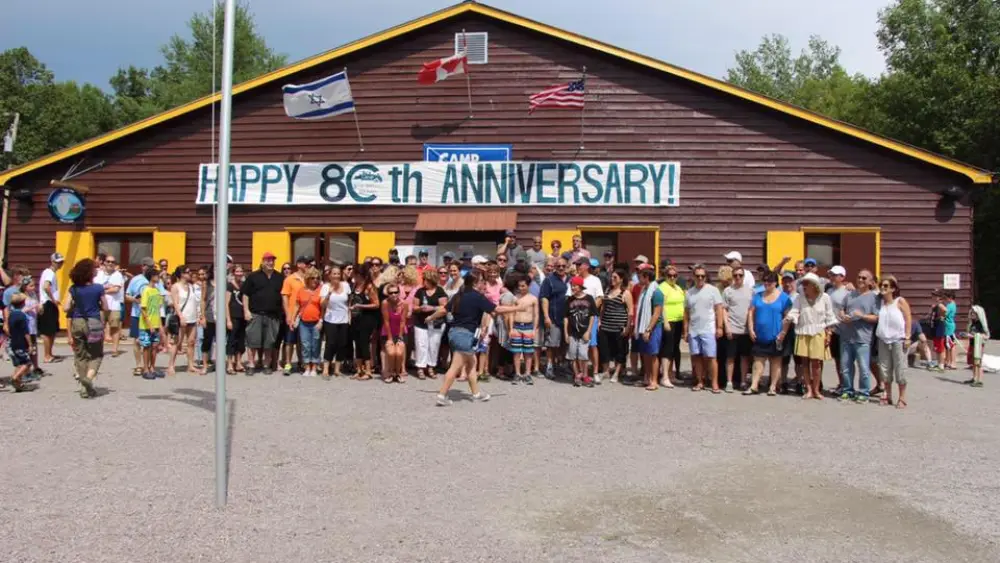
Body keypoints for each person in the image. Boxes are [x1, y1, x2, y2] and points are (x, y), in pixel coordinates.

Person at [783, 273, 837, 400]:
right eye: (803, 283)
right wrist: (790, 317)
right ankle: (808, 389)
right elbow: (794, 311)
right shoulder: (800, 298)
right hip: (803, 331)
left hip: (819, 331)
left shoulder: (825, 297)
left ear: (814, 285)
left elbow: (830, 316)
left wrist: (829, 334)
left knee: (816, 363)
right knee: (804, 362)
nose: (804, 286)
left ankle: (816, 389)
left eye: (807, 283)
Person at [62, 258, 108, 398]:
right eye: (94, 268)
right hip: (93, 322)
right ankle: (88, 378)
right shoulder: (98, 288)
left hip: (77, 322)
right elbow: (105, 307)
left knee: (80, 355)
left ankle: (84, 388)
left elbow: (66, 307)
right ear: (90, 272)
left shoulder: (73, 288)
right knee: (96, 354)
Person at [744, 272, 792, 395]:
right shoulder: (757, 296)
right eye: (764, 281)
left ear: (775, 283)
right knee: (758, 361)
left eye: (769, 281)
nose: (766, 283)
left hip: (776, 335)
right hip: (760, 335)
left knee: (776, 361)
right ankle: (754, 385)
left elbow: (788, 317)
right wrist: (751, 329)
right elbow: (751, 313)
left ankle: (773, 387)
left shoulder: (784, 298)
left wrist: (783, 333)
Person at [837, 269, 879, 402]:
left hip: (863, 338)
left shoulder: (874, 298)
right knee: (845, 367)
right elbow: (841, 308)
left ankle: (863, 392)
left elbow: (877, 317)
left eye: (864, 278)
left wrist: (862, 316)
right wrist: (843, 315)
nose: (860, 280)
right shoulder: (850, 295)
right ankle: (847, 390)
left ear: (870, 282)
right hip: (846, 336)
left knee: (864, 368)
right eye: (859, 277)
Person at [242, 252, 285, 375]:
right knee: (252, 341)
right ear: (263, 261)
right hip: (256, 314)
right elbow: (245, 294)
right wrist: (246, 311)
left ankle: (266, 364)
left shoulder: (279, 277)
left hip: (273, 315)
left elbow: (283, 296)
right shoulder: (253, 276)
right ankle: (251, 364)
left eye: (272, 260)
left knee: (269, 342)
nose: (270, 263)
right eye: (268, 260)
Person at [683, 265, 724, 393]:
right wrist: (685, 331)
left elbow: (719, 309)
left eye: (702, 276)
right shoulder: (689, 292)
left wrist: (719, 327)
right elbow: (686, 313)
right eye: (698, 276)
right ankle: (700, 381)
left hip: (708, 329)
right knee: (696, 357)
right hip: (694, 330)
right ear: (693, 277)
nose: (700, 278)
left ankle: (714, 383)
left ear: (706, 277)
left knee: (711, 357)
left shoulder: (713, 290)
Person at [875, 275, 912, 407]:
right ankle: (887, 395)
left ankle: (902, 397)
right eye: (881, 286)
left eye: (886, 286)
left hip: (898, 339)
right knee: (884, 369)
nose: (883, 288)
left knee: (900, 369)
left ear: (893, 288)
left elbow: (908, 318)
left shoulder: (899, 301)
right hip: (883, 339)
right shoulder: (879, 302)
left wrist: (907, 336)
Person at [570, 256, 604, 381]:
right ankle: (580, 373)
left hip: (590, 317)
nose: (577, 267)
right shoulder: (574, 279)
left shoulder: (595, 280)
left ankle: (594, 372)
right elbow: (569, 297)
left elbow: (600, 298)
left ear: (587, 266)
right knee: (579, 346)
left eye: (579, 264)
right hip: (576, 317)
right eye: (576, 264)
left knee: (592, 344)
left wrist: (589, 310)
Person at [412, 271, 448, 380]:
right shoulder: (420, 291)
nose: (423, 282)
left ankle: (431, 366)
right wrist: (420, 308)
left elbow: (444, 307)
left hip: (436, 322)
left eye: (425, 280)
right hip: (421, 322)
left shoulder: (440, 291)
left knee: (434, 345)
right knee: (421, 345)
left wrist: (432, 308)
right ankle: (420, 367)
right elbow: (414, 307)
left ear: (431, 280)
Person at [722, 266, 753, 393]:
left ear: (744, 276)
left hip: (745, 330)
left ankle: (743, 381)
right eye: (735, 275)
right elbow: (724, 310)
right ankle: (729, 382)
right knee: (730, 357)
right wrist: (727, 326)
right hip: (732, 329)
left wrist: (751, 328)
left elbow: (752, 310)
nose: (738, 277)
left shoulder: (750, 291)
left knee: (745, 357)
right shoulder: (727, 291)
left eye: (740, 275)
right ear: (732, 276)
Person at [599, 269, 632, 384]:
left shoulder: (625, 293)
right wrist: (600, 320)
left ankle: (617, 373)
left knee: (620, 350)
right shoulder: (607, 290)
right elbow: (603, 307)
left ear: (621, 279)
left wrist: (627, 327)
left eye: (615, 277)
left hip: (619, 326)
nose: (612, 279)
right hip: (605, 325)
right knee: (604, 349)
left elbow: (630, 312)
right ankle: (606, 371)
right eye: (612, 277)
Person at [633, 268, 664, 390]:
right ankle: (647, 377)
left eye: (640, 276)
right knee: (645, 353)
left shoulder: (656, 292)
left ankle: (654, 381)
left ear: (646, 277)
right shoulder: (644, 290)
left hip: (653, 327)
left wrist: (649, 329)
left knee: (653, 354)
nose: (638, 279)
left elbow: (657, 313)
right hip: (643, 326)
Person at [564, 276, 598, 387]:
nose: (573, 288)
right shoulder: (569, 299)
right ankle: (577, 375)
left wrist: (589, 331)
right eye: (572, 286)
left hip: (584, 332)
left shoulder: (589, 298)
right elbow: (566, 317)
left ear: (580, 286)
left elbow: (592, 316)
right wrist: (566, 333)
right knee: (573, 355)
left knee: (583, 355)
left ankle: (585, 375)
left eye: (575, 286)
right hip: (572, 332)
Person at [539, 257, 570, 379]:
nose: (561, 268)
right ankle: (549, 367)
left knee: (564, 344)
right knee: (552, 344)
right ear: (555, 267)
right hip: (553, 318)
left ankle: (561, 365)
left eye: (563, 266)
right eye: (558, 266)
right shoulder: (549, 280)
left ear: (567, 266)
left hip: (568, 319)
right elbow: (544, 298)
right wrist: (546, 316)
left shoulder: (571, 279)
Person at [167, 265, 200, 376]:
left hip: (192, 317)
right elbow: (175, 303)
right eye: (187, 272)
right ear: (181, 274)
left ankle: (190, 365)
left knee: (191, 342)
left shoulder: (191, 286)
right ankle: (171, 365)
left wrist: (198, 315)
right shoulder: (176, 287)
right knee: (177, 342)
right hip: (181, 317)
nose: (190, 273)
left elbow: (195, 302)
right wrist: (181, 316)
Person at [319, 265, 351, 378]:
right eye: (334, 274)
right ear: (330, 275)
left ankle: (337, 369)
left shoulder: (346, 285)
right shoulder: (325, 287)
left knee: (342, 344)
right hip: (330, 320)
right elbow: (322, 305)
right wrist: (329, 294)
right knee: (331, 343)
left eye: (338, 274)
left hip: (344, 319)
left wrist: (349, 316)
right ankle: (326, 369)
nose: (336, 276)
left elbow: (349, 302)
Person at [350, 264, 380, 380]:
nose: (353, 276)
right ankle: (359, 370)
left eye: (354, 274)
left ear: (359, 275)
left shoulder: (369, 287)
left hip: (367, 319)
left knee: (364, 343)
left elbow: (376, 304)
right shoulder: (355, 285)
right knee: (357, 343)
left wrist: (360, 306)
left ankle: (368, 370)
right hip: (356, 318)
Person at [280, 256, 309, 375]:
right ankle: (288, 364)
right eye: (306, 263)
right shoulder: (290, 279)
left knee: (302, 341)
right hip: (292, 314)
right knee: (289, 341)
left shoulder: (309, 278)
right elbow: (285, 297)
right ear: (299, 264)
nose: (308, 265)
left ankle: (301, 363)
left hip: (305, 315)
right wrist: (288, 315)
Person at [657, 264, 685, 387]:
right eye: (669, 276)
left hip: (679, 321)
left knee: (674, 348)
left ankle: (671, 374)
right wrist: (666, 321)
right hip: (669, 321)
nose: (672, 278)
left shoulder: (678, 288)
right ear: (665, 276)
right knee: (667, 348)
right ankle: (664, 376)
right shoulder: (663, 287)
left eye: (675, 276)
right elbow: (661, 306)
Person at [292, 268, 323, 378]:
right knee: (305, 345)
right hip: (303, 322)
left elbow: (324, 308)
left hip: (316, 322)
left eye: (317, 278)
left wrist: (321, 320)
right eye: (312, 278)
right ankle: (307, 367)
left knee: (315, 345)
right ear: (307, 279)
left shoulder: (321, 290)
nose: (315, 280)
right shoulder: (301, 290)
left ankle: (314, 366)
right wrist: (292, 318)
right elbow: (297, 305)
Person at [509, 276, 539, 384]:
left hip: (528, 327)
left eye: (523, 286)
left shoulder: (533, 299)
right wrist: (511, 328)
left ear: (528, 286)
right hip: (517, 327)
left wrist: (534, 329)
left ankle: (527, 374)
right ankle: (517, 373)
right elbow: (511, 313)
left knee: (528, 352)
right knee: (516, 352)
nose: (521, 288)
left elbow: (536, 315)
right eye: (519, 286)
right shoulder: (515, 298)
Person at [93, 255, 125, 357]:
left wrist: (101, 289)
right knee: (99, 328)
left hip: (114, 305)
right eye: (108, 261)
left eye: (112, 262)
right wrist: (107, 288)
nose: (110, 263)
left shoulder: (118, 275)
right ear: (104, 262)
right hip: (99, 305)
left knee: (115, 328)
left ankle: (114, 350)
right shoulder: (98, 274)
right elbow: (94, 288)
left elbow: (116, 289)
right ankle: (99, 350)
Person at [138, 267, 166, 380]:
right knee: (146, 346)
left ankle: (152, 367)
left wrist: (159, 325)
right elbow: (143, 309)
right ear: (151, 277)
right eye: (157, 276)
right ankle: (145, 369)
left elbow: (158, 309)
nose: (159, 277)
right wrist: (149, 324)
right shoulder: (146, 290)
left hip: (156, 323)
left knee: (155, 346)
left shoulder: (157, 290)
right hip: (146, 325)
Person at [38, 252, 65, 364]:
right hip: (48, 303)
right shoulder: (50, 273)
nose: (60, 264)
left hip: (50, 304)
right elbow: (46, 286)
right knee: (48, 331)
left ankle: (49, 353)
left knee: (52, 330)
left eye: (61, 262)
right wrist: (53, 299)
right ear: (52, 262)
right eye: (58, 262)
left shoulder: (50, 273)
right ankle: (47, 355)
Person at [5, 293, 33, 392]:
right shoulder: (22, 316)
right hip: (21, 343)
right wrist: (30, 344)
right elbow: (26, 332)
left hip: (13, 342)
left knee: (19, 364)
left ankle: (18, 384)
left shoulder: (11, 314)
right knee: (27, 363)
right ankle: (15, 377)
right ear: (23, 303)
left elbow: (7, 329)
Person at [225, 265, 247, 375]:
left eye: (241, 271)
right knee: (231, 340)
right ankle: (229, 363)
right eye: (237, 271)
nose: (239, 273)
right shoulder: (229, 286)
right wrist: (228, 320)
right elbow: (226, 303)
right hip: (233, 317)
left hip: (242, 317)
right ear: (233, 273)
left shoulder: (244, 285)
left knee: (241, 341)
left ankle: (238, 362)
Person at [198, 265, 218, 376]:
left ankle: (218, 363)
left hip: (221, 316)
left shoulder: (224, 282)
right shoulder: (207, 284)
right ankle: (205, 365)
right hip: (209, 314)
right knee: (207, 340)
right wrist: (202, 316)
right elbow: (203, 300)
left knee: (220, 341)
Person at [966, 305, 990, 388]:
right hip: (972, 344)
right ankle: (974, 378)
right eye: (971, 313)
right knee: (973, 362)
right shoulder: (973, 323)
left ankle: (979, 380)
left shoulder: (980, 324)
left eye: (974, 313)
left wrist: (973, 336)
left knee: (978, 362)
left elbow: (986, 335)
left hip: (978, 345)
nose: (972, 314)